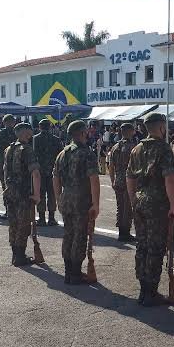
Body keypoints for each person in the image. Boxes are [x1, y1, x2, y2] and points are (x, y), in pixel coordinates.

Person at [126, 112, 174, 307]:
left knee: (142, 245)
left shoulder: (136, 149)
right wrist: (173, 205)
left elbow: (129, 177)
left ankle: (143, 289)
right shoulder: (164, 149)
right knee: (156, 246)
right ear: (161, 127)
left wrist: (133, 200)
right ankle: (151, 291)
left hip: (140, 201)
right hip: (157, 204)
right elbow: (170, 178)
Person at [53, 120, 100, 284]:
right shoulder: (86, 153)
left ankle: (68, 271)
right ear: (82, 133)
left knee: (68, 234)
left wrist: (59, 198)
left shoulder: (62, 153)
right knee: (80, 236)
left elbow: (56, 178)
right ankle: (75, 273)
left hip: (67, 197)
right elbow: (93, 179)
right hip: (81, 199)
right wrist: (96, 204)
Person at [3, 123, 41, 267]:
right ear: (26, 133)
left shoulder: (8, 149)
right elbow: (35, 173)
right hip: (23, 193)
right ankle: (20, 256)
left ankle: (15, 254)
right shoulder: (26, 149)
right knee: (24, 225)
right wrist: (37, 195)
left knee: (13, 223)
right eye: (30, 131)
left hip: (10, 191)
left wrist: (7, 188)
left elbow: (5, 170)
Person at [109, 123, 137, 243]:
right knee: (127, 208)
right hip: (129, 180)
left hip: (118, 179)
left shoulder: (115, 147)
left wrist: (112, 180)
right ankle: (125, 232)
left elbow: (110, 166)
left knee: (120, 207)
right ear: (130, 131)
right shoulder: (133, 147)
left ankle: (122, 230)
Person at [33, 119, 62, 227]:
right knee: (52, 195)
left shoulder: (34, 139)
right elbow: (60, 156)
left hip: (39, 172)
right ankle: (51, 218)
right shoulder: (56, 140)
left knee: (40, 194)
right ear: (50, 127)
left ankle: (41, 218)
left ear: (39, 127)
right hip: (52, 172)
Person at [0, 114, 17, 219]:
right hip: (18, 165)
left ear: (3, 122)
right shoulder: (18, 133)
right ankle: (17, 210)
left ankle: (8, 211)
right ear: (13, 122)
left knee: (5, 188)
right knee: (20, 188)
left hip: (4, 165)